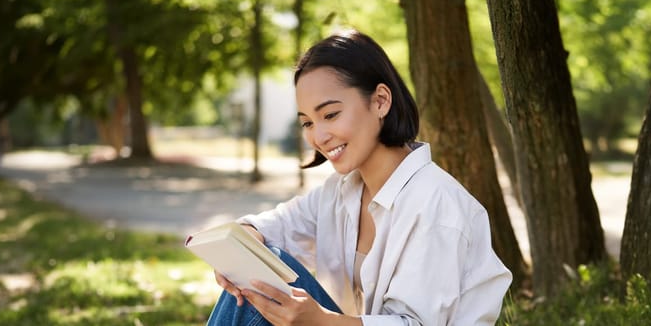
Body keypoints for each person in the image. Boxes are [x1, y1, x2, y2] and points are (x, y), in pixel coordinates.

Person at [207, 29, 512, 326]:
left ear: (380, 101)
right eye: (307, 123)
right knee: (259, 275)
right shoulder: (341, 191)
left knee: (259, 291)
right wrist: (243, 246)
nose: (319, 136)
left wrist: (321, 322)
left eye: (330, 115)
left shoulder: (437, 203)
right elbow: (276, 227)